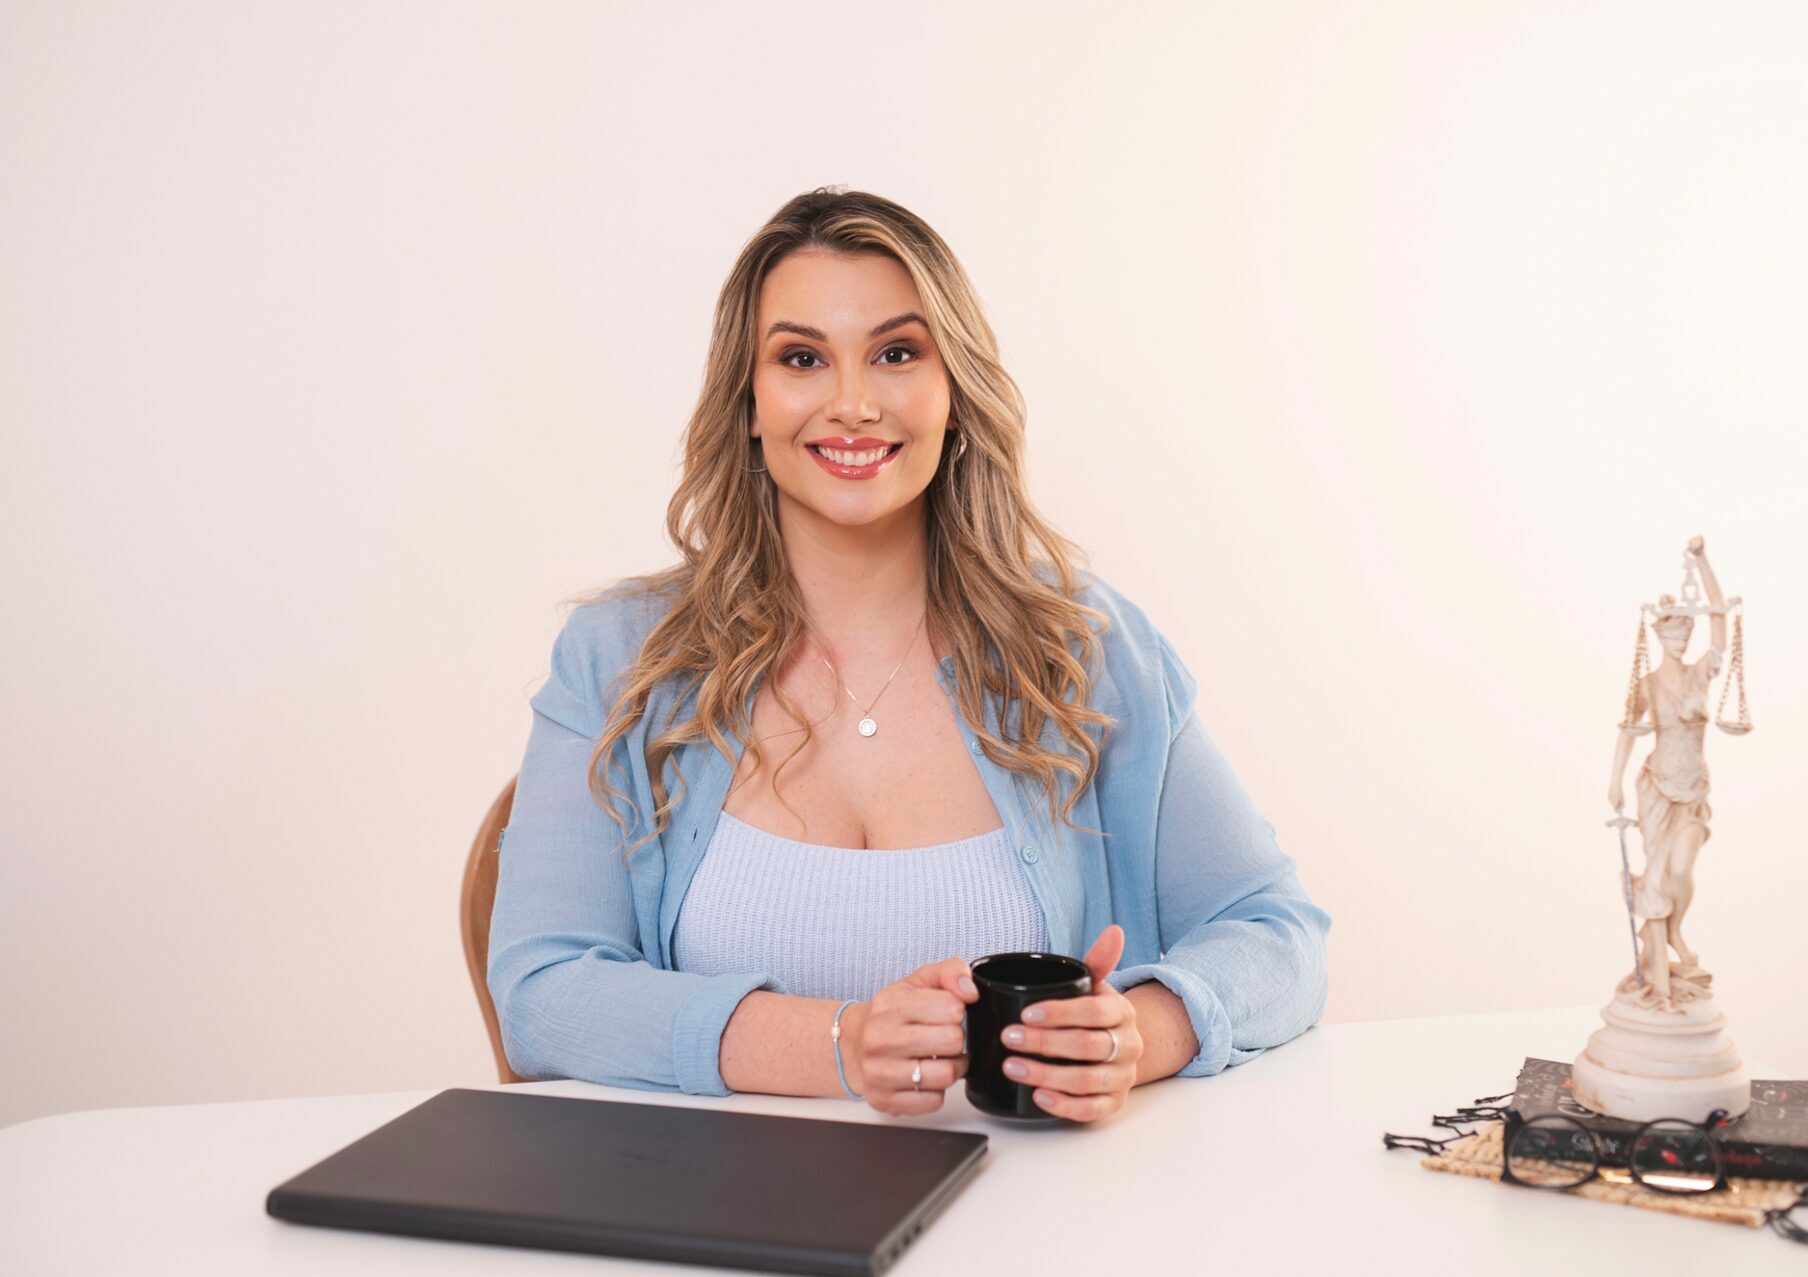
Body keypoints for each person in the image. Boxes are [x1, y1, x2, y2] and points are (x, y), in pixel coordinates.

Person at [488, 186, 1332, 1124]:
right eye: (802, 358)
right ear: (749, 402)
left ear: (953, 393)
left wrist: (1139, 1034)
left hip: (1039, 1200)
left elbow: (1277, 933)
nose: (852, 405)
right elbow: (542, 991)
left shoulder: (1090, 653)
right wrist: (839, 1042)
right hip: (715, 1199)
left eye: (896, 353)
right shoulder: (616, 660)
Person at [1608, 536, 1726, 999]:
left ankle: (1674, 930)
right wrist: (1615, 781)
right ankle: (1660, 953)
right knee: (1658, 872)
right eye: (1673, 636)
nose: (1681, 643)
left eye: (1685, 636)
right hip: (1657, 786)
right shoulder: (1649, 685)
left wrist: (1702, 560)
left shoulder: (1700, 675)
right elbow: (1627, 732)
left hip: (1693, 788)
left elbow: (1720, 618)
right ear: (1660, 639)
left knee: (1681, 868)